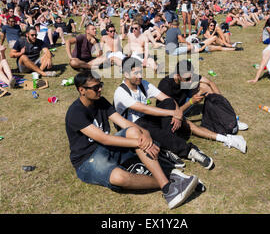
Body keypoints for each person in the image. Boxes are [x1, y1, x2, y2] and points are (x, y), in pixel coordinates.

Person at [65, 70, 200, 210]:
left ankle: (167, 188)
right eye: (95, 87)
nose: (100, 89)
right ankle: (168, 182)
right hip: (87, 160)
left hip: (106, 149)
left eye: (100, 85)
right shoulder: (76, 113)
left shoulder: (101, 101)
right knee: (119, 178)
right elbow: (104, 139)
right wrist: (139, 142)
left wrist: (144, 133)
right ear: (82, 90)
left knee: (135, 131)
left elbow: (123, 123)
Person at [113, 57, 215, 169]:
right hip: (132, 127)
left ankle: (168, 149)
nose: (140, 76)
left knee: (169, 102)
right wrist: (173, 113)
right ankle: (189, 151)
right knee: (152, 129)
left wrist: (177, 113)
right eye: (136, 73)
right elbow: (143, 109)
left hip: (146, 119)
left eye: (141, 72)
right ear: (126, 74)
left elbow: (167, 99)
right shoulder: (121, 92)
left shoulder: (143, 84)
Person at [157, 60, 248, 153]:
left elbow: (210, 82)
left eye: (192, 76)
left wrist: (221, 102)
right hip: (171, 112)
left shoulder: (187, 76)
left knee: (205, 86)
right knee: (188, 125)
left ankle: (230, 119)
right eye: (187, 79)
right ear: (177, 75)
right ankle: (226, 139)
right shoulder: (166, 85)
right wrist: (192, 101)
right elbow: (174, 112)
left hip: (185, 102)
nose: (191, 81)